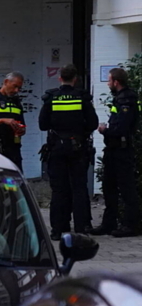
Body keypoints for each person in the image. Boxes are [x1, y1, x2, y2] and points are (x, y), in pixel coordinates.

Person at [38, 64, 99, 239]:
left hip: (56, 148)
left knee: (59, 189)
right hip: (78, 148)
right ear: (75, 79)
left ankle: (58, 229)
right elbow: (93, 123)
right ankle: (82, 227)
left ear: (60, 79)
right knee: (79, 187)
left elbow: (42, 125)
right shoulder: (82, 98)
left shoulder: (51, 97)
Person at [91, 67, 141, 237]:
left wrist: (105, 130)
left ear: (116, 82)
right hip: (114, 150)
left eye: (109, 80)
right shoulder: (120, 98)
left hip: (122, 150)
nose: (108, 83)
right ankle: (109, 223)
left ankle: (131, 225)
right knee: (109, 187)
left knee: (126, 188)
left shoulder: (126, 100)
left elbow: (122, 127)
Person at [0, 72, 27, 170]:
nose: (16, 90)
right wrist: (2, 120)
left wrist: (21, 130)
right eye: (14, 86)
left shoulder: (16, 102)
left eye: (19, 88)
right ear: (6, 82)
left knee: (12, 181)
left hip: (13, 149)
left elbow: (23, 125)